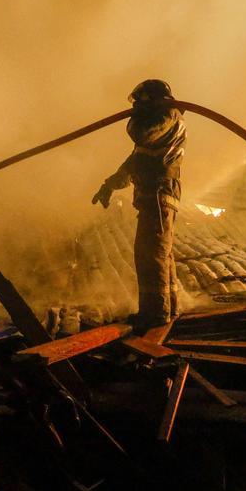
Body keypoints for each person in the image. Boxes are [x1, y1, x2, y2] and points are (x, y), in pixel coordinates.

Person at [92, 79, 186, 330]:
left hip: (158, 192)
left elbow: (140, 134)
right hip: (153, 194)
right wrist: (109, 185)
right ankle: (169, 307)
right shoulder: (159, 125)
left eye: (137, 102)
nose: (133, 106)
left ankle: (154, 315)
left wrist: (138, 116)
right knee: (160, 253)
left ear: (149, 100)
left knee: (150, 254)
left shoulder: (168, 115)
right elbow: (135, 161)